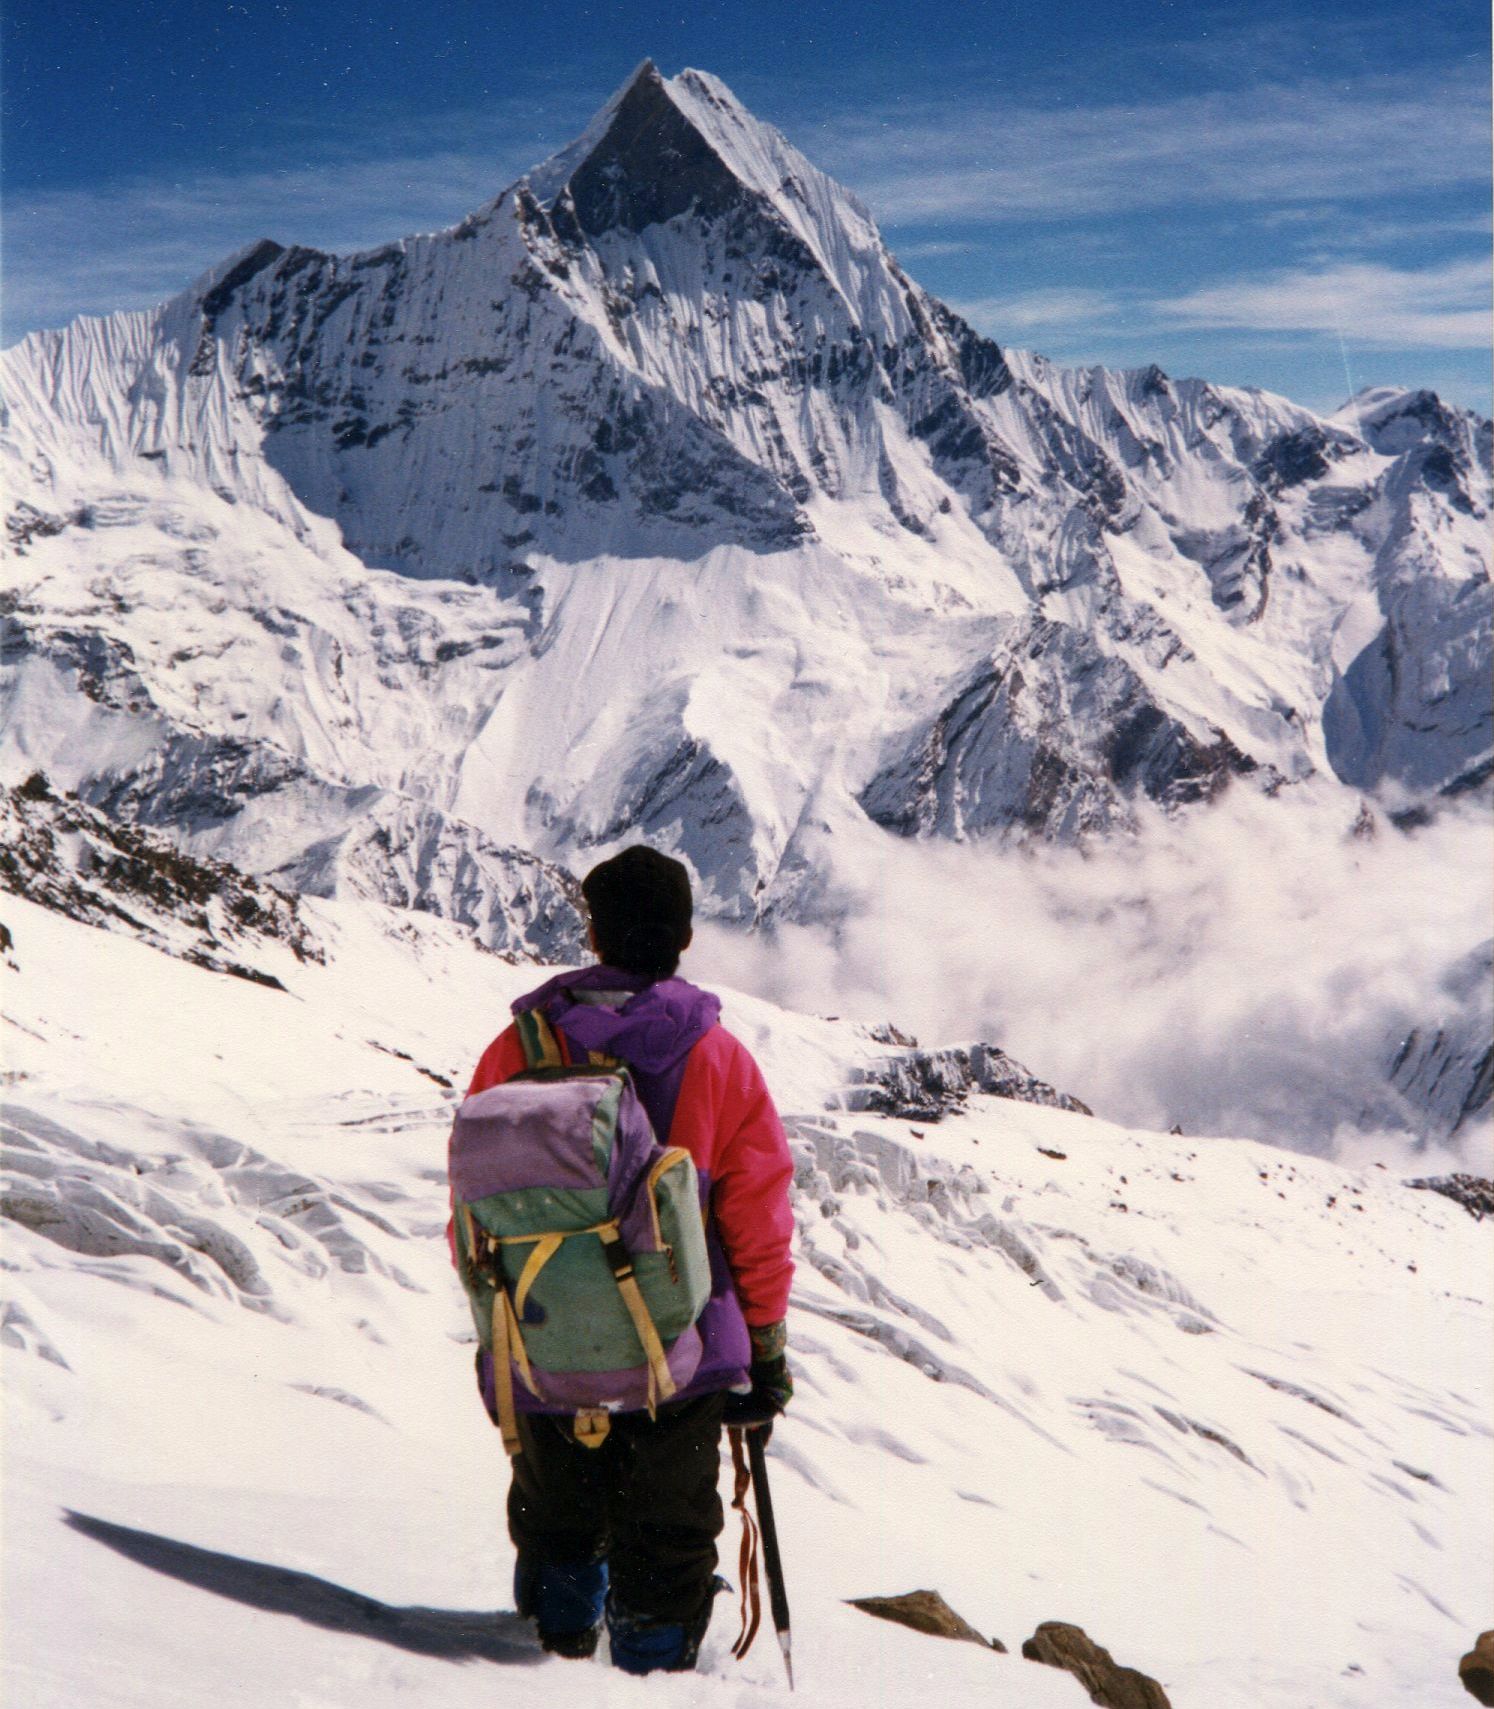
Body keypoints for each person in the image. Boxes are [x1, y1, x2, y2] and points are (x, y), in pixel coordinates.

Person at [461, 844, 795, 1673]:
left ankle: (552, 1655)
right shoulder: (716, 1057)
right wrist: (766, 1345)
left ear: (594, 930)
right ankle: (652, 1666)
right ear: (683, 937)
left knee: (557, 1513)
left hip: (545, 1334)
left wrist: (498, 1322)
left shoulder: (523, 1043)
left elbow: (479, 1198)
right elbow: (754, 1216)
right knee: (670, 1529)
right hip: (677, 1345)